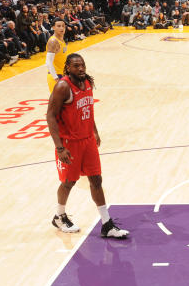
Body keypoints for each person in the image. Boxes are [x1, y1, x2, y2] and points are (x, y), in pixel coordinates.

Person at [46, 53, 128, 239]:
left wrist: (95, 130)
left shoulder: (88, 82)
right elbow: (50, 116)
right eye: (76, 66)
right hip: (69, 143)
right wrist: (59, 147)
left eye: (82, 65)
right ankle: (59, 216)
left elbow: (88, 109)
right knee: (69, 182)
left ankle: (106, 224)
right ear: (68, 68)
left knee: (96, 180)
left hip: (87, 140)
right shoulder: (63, 86)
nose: (80, 68)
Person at [45, 19, 68, 94]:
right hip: (57, 76)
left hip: (63, 74)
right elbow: (48, 62)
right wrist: (56, 78)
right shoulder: (53, 41)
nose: (61, 28)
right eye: (58, 26)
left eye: (63, 26)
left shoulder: (61, 39)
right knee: (57, 104)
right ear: (53, 27)